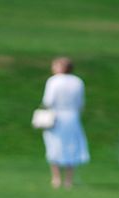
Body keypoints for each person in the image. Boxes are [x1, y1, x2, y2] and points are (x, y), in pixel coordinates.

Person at [41, 57, 89, 188]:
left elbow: (48, 101)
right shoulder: (78, 81)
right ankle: (69, 179)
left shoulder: (53, 81)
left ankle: (56, 178)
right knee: (71, 146)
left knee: (54, 145)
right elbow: (81, 103)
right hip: (72, 116)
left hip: (56, 116)